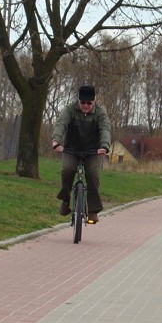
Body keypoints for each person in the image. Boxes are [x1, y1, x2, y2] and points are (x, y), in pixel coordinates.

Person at [51, 85, 111, 224]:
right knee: (68, 170)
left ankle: (92, 211)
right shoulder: (70, 110)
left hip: (93, 151)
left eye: (89, 103)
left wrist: (105, 146)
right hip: (72, 149)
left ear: (94, 101)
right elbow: (61, 124)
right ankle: (65, 201)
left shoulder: (100, 113)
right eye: (82, 102)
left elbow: (105, 129)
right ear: (78, 100)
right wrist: (56, 141)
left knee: (92, 174)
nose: (85, 106)